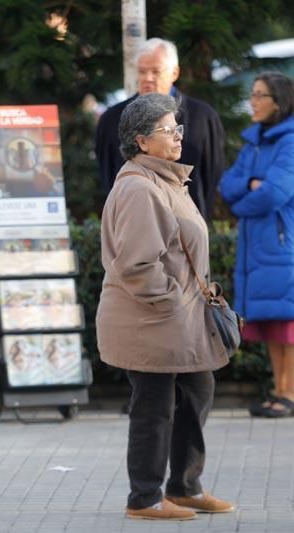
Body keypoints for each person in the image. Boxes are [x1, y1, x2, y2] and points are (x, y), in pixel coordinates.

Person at [96, 93, 234, 521]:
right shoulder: (139, 188)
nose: (178, 136)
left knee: (198, 390)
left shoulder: (168, 179)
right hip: (154, 319)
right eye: (167, 130)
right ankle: (144, 497)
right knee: (154, 407)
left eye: (178, 127)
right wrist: (173, 300)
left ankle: (185, 487)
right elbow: (138, 266)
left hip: (179, 320)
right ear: (141, 141)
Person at [219, 72, 294, 417]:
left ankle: (288, 393)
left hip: (283, 246)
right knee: (270, 325)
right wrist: (249, 186)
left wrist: (245, 198)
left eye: (261, 95)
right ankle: (280, 391)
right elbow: (228, 184)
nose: (254, 101)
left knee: (286, 325)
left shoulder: (290, 141)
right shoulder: (254, 142)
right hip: (259, 247)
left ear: (279, 101)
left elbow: (272, 194)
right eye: (253, 94)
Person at [95, 38, 225, 219]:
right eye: (142, 71)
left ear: (174, 72)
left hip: (187, 225)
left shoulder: (202, 117)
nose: (148, 78)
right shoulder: (112, 119)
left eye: (156, 71)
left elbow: (211, 175)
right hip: (132, 223)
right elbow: (108, 175)